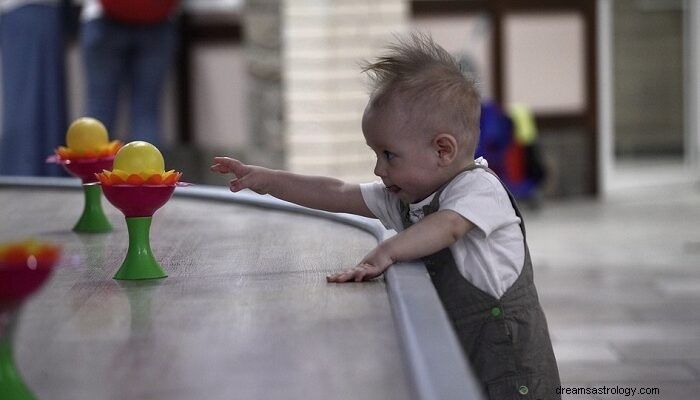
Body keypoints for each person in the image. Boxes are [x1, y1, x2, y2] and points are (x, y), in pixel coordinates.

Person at [210, 33, 561, 399]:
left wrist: (387, 251)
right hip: (465, 363)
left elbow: (449, 226)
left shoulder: (478, 190)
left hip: (514, 374)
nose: (378, 169)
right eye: (375, 154)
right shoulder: (408, 196)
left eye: (389, 155)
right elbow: (337, 192)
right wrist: (266, 179)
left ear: (442, 150)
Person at [79, 0, 178, 147]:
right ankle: (145, 168)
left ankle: (93, 170)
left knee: (99, 113)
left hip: (102, 20)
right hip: (156, 22)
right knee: (146, 114)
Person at [0, 0, 68, 176]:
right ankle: (29, 172)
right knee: (40, 101)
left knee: (29, 98)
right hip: (35, 12)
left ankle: (24, 172)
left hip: (20, 13)